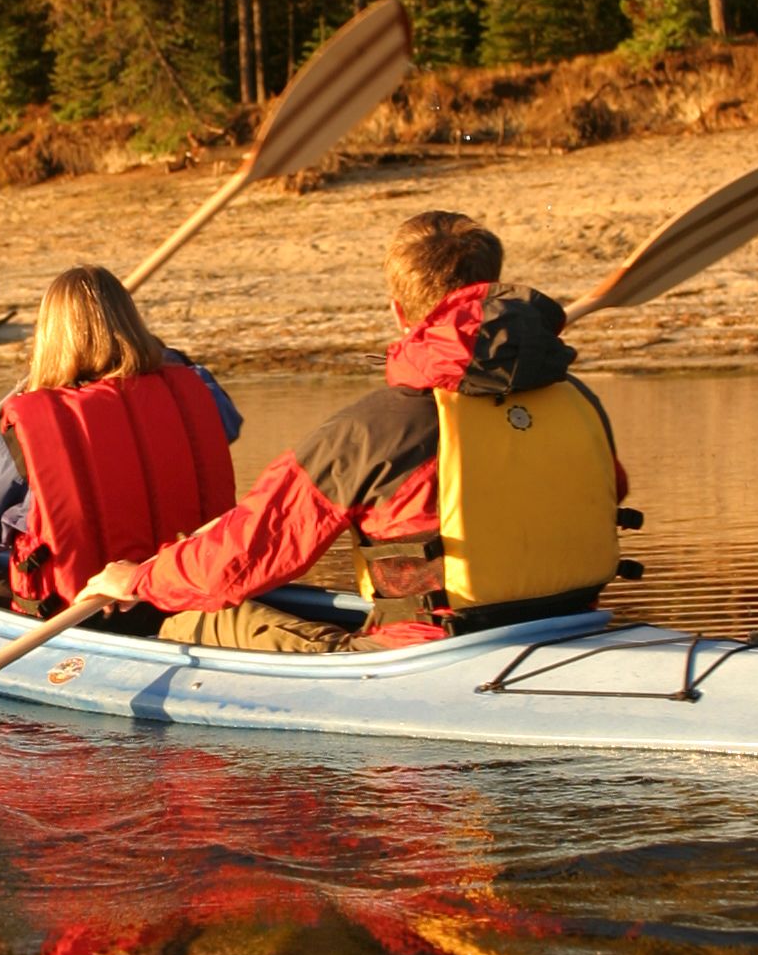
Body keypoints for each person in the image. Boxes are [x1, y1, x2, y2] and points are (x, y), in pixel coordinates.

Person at [90, 209, 628, 651]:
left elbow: (247, 555)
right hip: (571, 624)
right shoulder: (577, 399)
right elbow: (608, 489)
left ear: (398, 310)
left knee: (189, 622)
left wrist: (137, 580)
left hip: (428, 648)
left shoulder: (376, 429)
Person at [0, 264, 241, 615]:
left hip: (87, 609)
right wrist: (156, 353)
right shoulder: (197, 391)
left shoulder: (34, 431)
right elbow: (228, 422)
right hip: (190, 586)